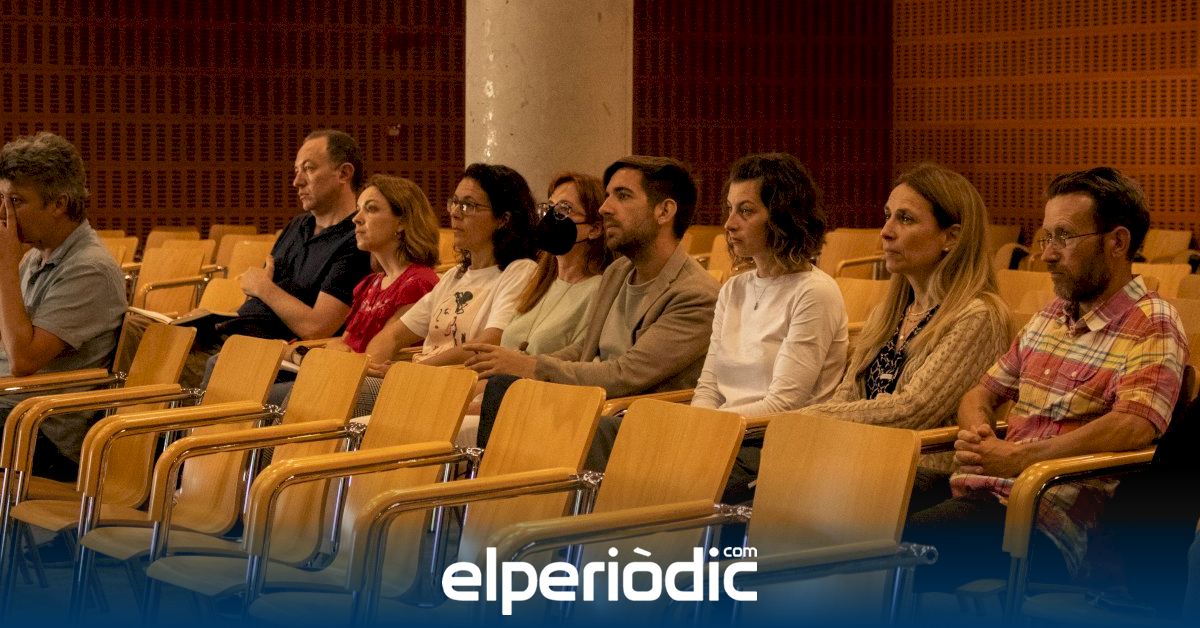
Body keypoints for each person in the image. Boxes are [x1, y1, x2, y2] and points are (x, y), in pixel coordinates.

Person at [905, 167, 1187, 592]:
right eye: (1045, 237)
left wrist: (1020, 459)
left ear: (1117, 242)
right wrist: (980, 436)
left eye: (1064, 237)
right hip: (986, 489)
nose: (1047, 255)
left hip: (1046, 518)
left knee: (896, 548)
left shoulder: (1152, 322)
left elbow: (1133, 426)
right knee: (861, 511)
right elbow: (982, 393)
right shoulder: (1052, 315)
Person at [465, 155, 719, 458]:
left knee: (514, 408)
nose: (604, 208)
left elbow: (626, 375)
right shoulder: (619, 271)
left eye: (622, 196)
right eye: (607, 195)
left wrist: (532, 367)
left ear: (664, 211)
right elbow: (584, 349)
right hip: (594, 406)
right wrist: (517, 366)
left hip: (640, 424)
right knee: (502, 388)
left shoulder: (695, 294)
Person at [805, 163, 1009, 455]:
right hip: (859, 456)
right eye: (888, 216)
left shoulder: (979, 316)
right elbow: (846, 396)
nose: (886, 232)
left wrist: (809, 418)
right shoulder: (886, 314)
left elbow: (912, 410)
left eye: (905, 219)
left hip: (921, 468)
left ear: (951, 238)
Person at [692, 153, 848, 502]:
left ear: (782, 218)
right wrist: (697, 428)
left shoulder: (814, 292)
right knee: (631, 454)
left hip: (777, 444)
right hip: (726, 435)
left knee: (671, 475)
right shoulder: (734, 288)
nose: (729, 223)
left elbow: (784, 404)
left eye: (746, 211)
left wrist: (708, 429)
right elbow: (708, 386)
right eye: (730, 209)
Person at [184, 129, 372, 387]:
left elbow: (316, 328)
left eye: (309, 169)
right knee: (151, 332)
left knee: (153, 352)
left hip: (271, 358)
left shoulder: (355, 240)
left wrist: (264, 288)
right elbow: (259, 298)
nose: (297, 182)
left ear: (344, 173)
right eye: (297, 171)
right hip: (232, 338)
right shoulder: (297, 226)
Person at [0, 131, 126, 479]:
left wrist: (5, 267)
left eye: (16, 201)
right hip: (12, 409)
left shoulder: (90, 269)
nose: (4, 213)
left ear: (59, 204)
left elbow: (23, 360)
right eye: (2, 199)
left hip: (42, 430)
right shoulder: (35, 258)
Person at [272, 174, 440, 405]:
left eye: (370, 209)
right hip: (343, 379)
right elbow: (342, 344)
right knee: (261, 389)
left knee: (278, 397)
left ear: (402, 221)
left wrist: (302, 354)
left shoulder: (418, 283)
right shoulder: (369, 284)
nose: (356, 219)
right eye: (359, 209)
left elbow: (374, 358)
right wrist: (334, 354)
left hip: (382, 391)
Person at [500, 171, 611, 355]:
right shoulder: (540, 282)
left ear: (595, 229)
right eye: (550, 206)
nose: (550, 217)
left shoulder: (598, 291)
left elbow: (581, 357)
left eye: (564, 209)